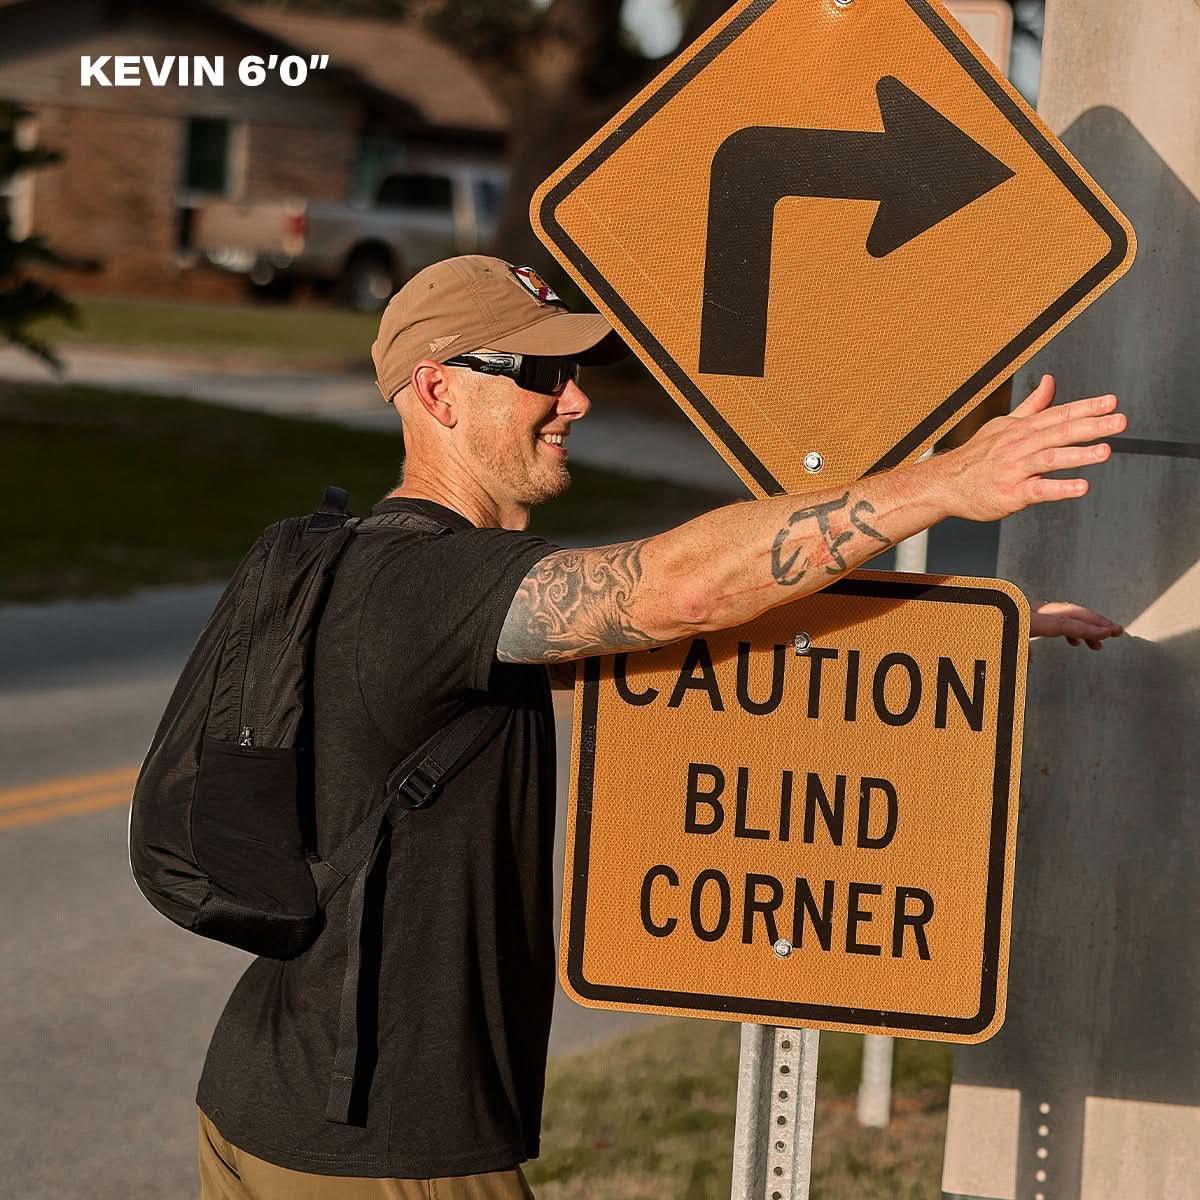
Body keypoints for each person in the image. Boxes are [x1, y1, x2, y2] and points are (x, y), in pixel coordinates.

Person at [195, 255, 1124, 1199]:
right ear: (437, 390)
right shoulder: (435, 585)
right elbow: (678, 592)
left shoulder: (376, 576)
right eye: (541, 374)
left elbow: (659, 651)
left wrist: (942, 635)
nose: (575, 401)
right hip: (377, 1136)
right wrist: (944, 484)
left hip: (266, 1095)